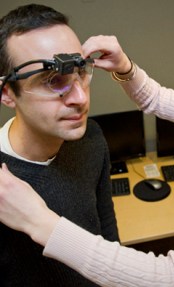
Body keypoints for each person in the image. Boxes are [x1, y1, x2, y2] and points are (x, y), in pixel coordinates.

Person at [1, 5, 174, 287]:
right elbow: (157, 99)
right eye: (53, 80)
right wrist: (125, 67)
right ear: (7, 92)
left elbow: (172, 278)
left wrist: (37, 220)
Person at [0, 4, 119, 287]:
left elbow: (108, 235)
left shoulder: (90, 138)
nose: (79, 97)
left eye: (80, 73)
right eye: (53, 80)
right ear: (7, 93)